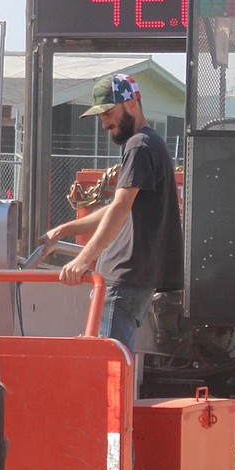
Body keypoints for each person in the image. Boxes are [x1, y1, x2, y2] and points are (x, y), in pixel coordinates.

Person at [39, 73, 183, 354]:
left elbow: (119, 207)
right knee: (115, 364)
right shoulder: (150, 142)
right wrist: (62, 231)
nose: (104, 123)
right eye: (99, 116)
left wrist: (84, 258)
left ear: (131, 104)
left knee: (107, 368)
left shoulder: (138, 145)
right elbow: (118, 206)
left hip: (123, 279)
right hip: (133, 278)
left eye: (107, 112)